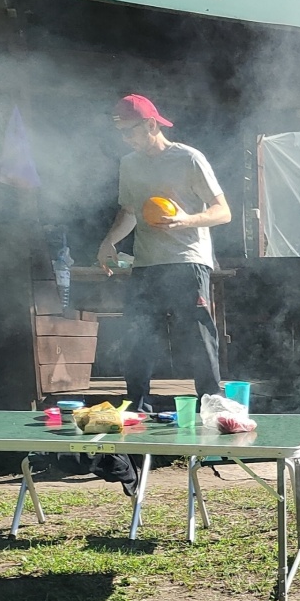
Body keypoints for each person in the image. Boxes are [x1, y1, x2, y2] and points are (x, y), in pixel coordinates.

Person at [97, 94, 231, 413]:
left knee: (198, 337)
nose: (126, 139)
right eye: (122, 133)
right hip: (147, 264)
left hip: (188, 261)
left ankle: (211, 405)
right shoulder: (129, 164)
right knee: (139, 335)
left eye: (130, 131)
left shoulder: (189, 158)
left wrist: (187, 219)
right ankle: (136, 408)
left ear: (152, 125)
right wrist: (109, 241)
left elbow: (222, 211)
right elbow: (129, 212)